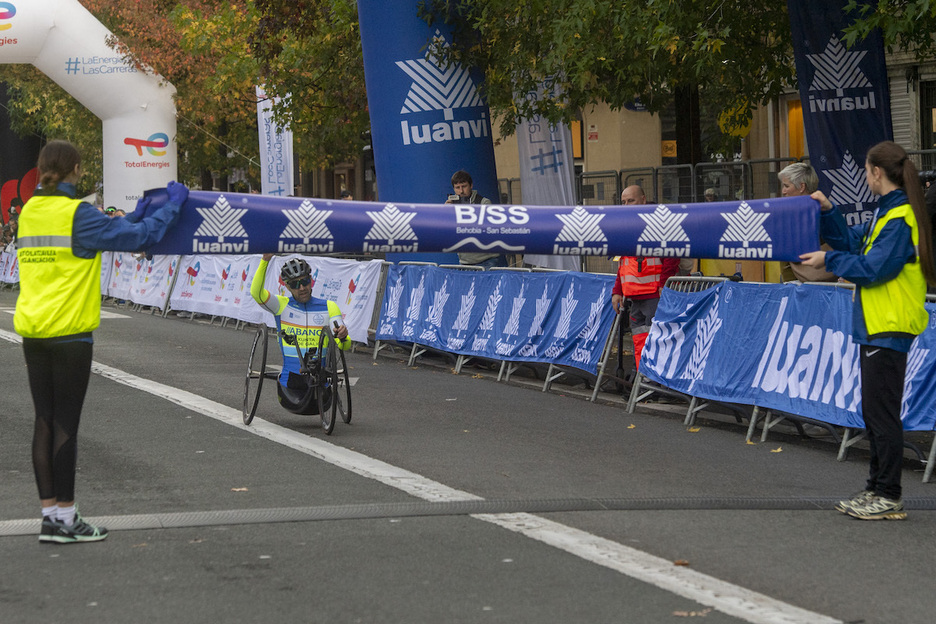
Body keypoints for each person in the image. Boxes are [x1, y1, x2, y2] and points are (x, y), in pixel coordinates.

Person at [15, 139, 187, 543]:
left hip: (34, 331)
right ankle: (67, 518)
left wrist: (139, 212)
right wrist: (174, 204)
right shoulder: (77, 213)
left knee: (43, 421)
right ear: (75, 170)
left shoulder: (29, 213)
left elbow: (120, 226)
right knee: (66, 427)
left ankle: (50, 517)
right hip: (71, 332)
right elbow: (138, 237)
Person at [800, 141, 936, 521]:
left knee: (881, 415)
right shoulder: (887, 213)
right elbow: (852, 242)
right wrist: (829, 213)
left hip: (888, 327)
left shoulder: (899, 218)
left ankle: (888, 494)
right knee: (874, 411)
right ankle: (877, 488)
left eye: (865, 170)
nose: (864, 175)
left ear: (877, 172)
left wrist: (830, 258)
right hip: (877, 327)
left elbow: (875, 268)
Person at [250, 254, 350, 413]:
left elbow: (344, 344)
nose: (302, 288)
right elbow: (256, 293)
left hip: (321, 383)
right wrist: (265, 260)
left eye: (305, 282)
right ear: (287, 287)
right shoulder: (280, 306)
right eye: (295, 284)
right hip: (291, 384)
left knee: (319, 378)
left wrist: (342, 336)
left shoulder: (329, 307)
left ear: (311, 280)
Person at [611, 185, 681, 369]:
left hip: (654, 295)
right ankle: (645, 381)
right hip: (634, 296)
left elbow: (672, 255)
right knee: (641, 342)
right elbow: (624, 262)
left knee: (658, 342)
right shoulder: (627, 226)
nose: (626, 206)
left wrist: (664, 283)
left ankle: (656, 384)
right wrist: (617, 290)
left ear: (643, 199)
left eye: (631, 201)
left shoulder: (659, 223)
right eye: (623, 202)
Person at [778, 163, 836, 283]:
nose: (783, 191)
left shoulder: (822, 213)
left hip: (818, 286)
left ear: (801, 187)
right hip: (807, 284)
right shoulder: (790, 214)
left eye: (786, 186)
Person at [445, 170, 508, 268]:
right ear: (453, 189)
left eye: (464, 186)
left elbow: (486, 229)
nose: (461, 191)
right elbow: (449, 232)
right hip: (464, 261)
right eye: (457, 188)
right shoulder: (451, 206)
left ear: (471, 185)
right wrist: (446, 213)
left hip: (487, 260)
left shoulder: (484, 202)